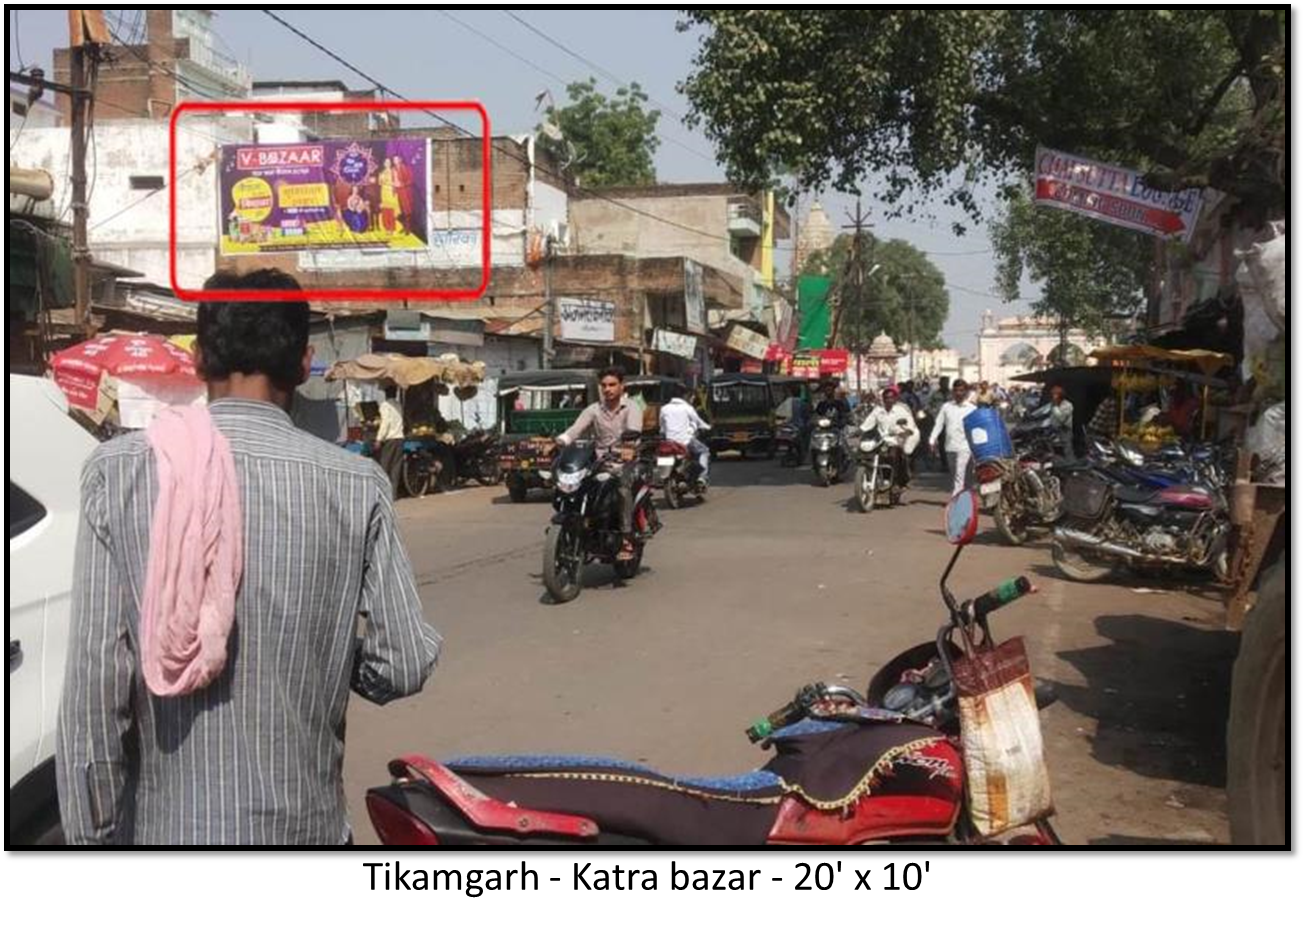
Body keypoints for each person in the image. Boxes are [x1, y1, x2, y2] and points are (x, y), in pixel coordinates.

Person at [56, 268, 441, 845]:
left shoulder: (121, 472)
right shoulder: (357, 484)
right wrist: (326, 652)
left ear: (198, 358)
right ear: (305, 362)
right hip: (308, 832)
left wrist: (94, 838)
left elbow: (96, 689)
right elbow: (403, 663)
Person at [556, 367, 645, 561]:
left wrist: (628, 448)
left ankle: (626, 537)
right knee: (577, 485)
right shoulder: (594, 410)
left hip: (626, 462)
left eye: (612, 385)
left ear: (622, 386)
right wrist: (562, 440)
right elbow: (576, 428)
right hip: (600, 462)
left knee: (622, 489)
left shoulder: (632, 408)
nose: (607, 389)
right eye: (604, 385)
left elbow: (634, 431)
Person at [861, 386, 921, 489]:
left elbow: (910, 423)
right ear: (883, 399)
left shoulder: (901, 410)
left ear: (895, 399)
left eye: (891, 397)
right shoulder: (878, 411)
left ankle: (898, 480)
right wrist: (859, 431)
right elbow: (868, 424)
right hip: (882, 439)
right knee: (868, 454)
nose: (889, 400)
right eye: (886, 398)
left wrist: (906, 431)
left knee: (895, 455)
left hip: (897, 438)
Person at [930, 379, 978, 496]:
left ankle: (956, 500)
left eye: (961, 390)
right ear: (953, 391)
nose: (958, 393)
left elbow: (977, 429)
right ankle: (967, 499)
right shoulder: (946, 407)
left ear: (966, 392)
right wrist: (932, 439)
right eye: (956, 390)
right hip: (950, 446)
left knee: (959, 475)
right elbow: (939, 423)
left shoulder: (972, 409)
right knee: (957, 474)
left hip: (966, 446)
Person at [659, 385, 712, 487]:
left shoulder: (664, 408)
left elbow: (662, 427)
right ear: (684, 395)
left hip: (669, 442)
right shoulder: (687, 408)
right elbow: (699, 422)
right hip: (685, 441)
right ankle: (701, 478)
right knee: (704, 451)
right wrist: (709, 427)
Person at [376, 383, 406, 493]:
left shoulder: (385, 405)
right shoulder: (398, 405)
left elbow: (385, 423)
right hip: (400, 438)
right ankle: (393, 493)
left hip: (390, 439)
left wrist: (379, 439)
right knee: (396, 467)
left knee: (385, 466)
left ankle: (384, 491)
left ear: (386, 393)